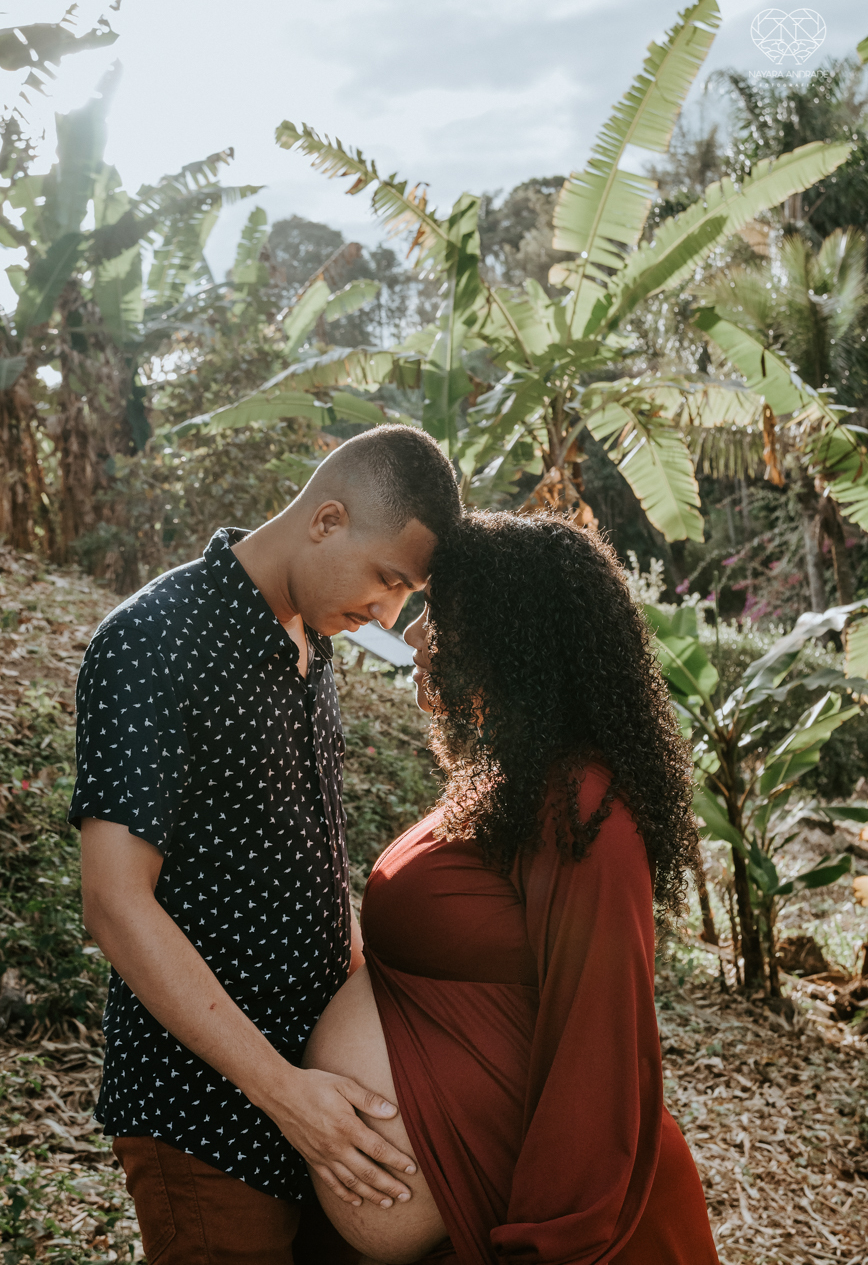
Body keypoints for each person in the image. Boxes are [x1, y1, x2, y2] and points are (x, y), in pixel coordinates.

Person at [70, 426, 462, 1265]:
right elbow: (113, 900)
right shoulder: (153, 639)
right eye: (390, 581)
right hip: (205, 1116)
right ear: (326, 520)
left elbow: (307, 858)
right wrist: (284, 1094)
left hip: (317, 1098)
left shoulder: (311, 644)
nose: (390, 617)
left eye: (408, 596)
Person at [303, 510, 720, 1265]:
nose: (415, 636)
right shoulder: (510, 784)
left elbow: (598, 1041)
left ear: (513, 634)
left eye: (443, 617)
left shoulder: (583, 803)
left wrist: (544, 1248)